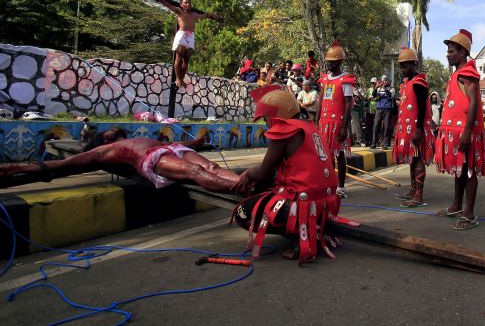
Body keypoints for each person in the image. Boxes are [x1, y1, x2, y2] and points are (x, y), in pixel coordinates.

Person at [232, 85, 359, 263]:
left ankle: (301, 233)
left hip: (307, 204)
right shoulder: (310, 127)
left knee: (242, 213)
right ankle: (305, 229)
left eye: (266, 118)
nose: (266, 123)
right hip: (327, 202)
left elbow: (262, 172)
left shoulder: (285, 129)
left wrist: (247, 174)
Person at [0, 128, 239, 192]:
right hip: (152, 159)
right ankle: (241, 187)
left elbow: (167, 144)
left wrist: (194, 144)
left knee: (211, 166)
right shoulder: (103, 152)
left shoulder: (133, 138)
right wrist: (19, 167)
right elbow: (62, 165)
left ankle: (253, 186)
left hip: (171, 148)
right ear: (102, 142)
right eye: (105, 133)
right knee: (195, 171)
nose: (111, 131)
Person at [434, 30, 485, 228]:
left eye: (452, 51)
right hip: (455, 131)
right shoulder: (457, 73)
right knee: (459, 170)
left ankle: (469, 213)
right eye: (447, 51)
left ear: (463, 52)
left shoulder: (468, 73)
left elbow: (473, 104)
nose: (448, 54)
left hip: (466, 132)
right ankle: (456, 205)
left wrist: (467, 132)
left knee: (469, 171)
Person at [146, 0, 220, 89]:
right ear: (181, 5)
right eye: (185, 3)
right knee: (179, 57)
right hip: (182, 35)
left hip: (190, 36)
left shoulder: (194, 14)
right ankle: (177, 79)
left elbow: (204, 16)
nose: (187, 4)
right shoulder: (179, 11)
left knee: (186, 60)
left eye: (189, 3)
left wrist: (213, 16)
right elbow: (166, 4)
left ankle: (182, 78)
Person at [393, 47, 435, 208]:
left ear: (413, 64)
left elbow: (422, 107)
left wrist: (418, 129)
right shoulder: (406, 83)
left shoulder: (419, 81)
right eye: (400, 66)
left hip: (416, 128)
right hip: (407, 127)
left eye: (405, 66)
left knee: (417, 159)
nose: (402, 69)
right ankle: (412, 190)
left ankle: (419, 195)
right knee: (411, 159)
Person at [315, 41, 357, 198]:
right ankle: (329, 184)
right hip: (324, 124)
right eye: (328, 62)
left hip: (338, 124)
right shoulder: (324, 79)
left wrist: (345, 127)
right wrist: (316, 121)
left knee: (339, 156)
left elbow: (348, 105)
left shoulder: (345, 80)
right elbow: (321, 101)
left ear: (340, 61)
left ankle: (340, 188)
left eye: (333, 62)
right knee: (326, 156)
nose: (330, 65)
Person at [371, 75, 394, 149]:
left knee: (386, 126)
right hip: (379, 108)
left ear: (389, 81)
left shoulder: (391, 89)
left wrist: (384, 88)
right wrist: (376, 87)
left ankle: (385, 144)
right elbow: (373, 95)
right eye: (383, 80)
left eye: (386, 80)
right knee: (376, 125)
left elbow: (390, 95)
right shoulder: (379, 88)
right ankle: (374, 143)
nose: (384, 82)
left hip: (388, 109)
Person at [365, 78, 378, 146]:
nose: (373, 84)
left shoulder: (378, 89)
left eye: (374, 83)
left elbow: (378, 98)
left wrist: (372, 98)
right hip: (369, 111)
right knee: (368, 126)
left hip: (377, 111)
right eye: (372, 83)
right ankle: (367, 141)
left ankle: (374, 141)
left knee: (375, 127)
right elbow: (366, 99)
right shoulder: (368, 90)